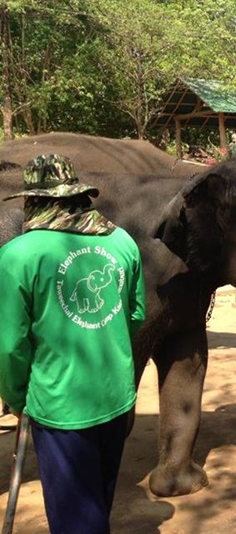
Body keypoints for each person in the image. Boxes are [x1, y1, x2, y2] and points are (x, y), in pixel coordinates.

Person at [0, 154, 146, 534]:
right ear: (77, 196)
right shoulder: (122, 241)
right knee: (97, 501)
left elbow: (9, 346)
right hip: (117, 396)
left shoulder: (17, 255)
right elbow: (133, 315)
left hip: (60, 405)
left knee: (76, 521)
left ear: (34, 200)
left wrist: (18, 398)